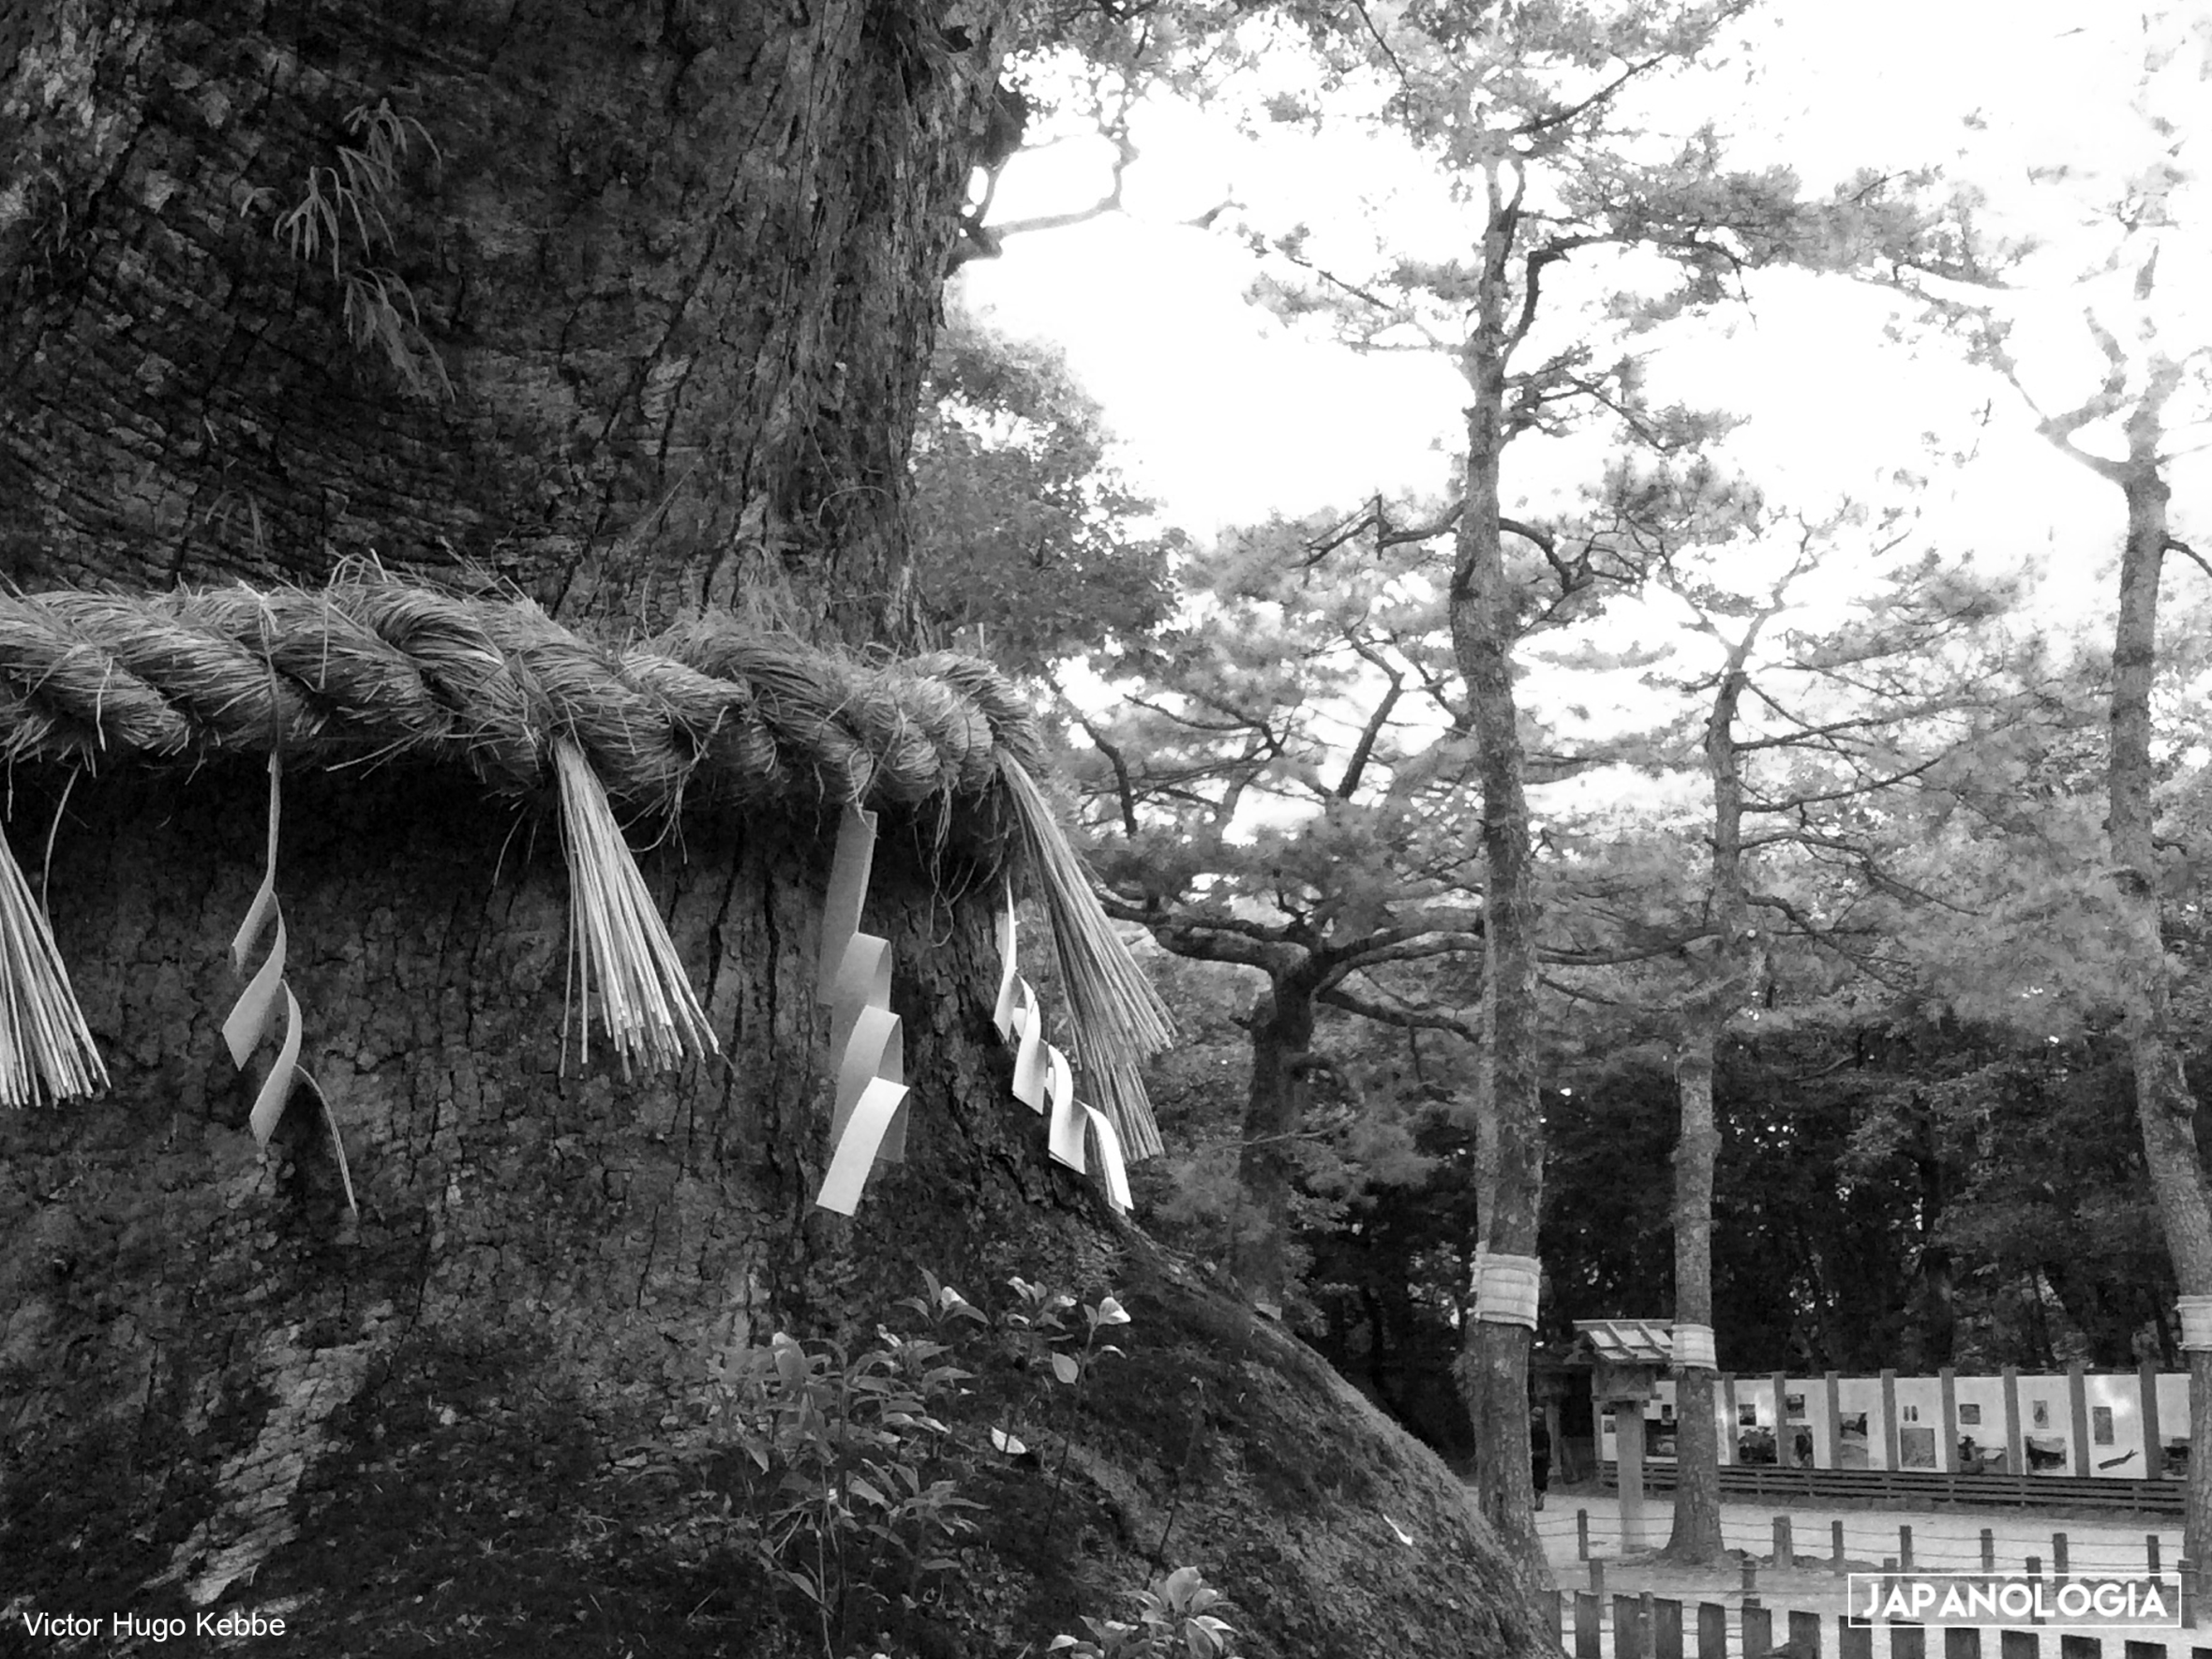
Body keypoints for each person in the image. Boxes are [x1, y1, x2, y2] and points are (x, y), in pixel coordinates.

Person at [1530, 1412, 1551, 1509]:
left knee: (1535, 1479)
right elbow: (1548, 1447)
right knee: (1541, 1479)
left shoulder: (1531, 1430)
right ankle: (1540, 1495)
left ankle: (1537, 1497)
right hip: (1542, 1457)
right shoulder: (1544, 1431)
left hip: (1535, 1457)